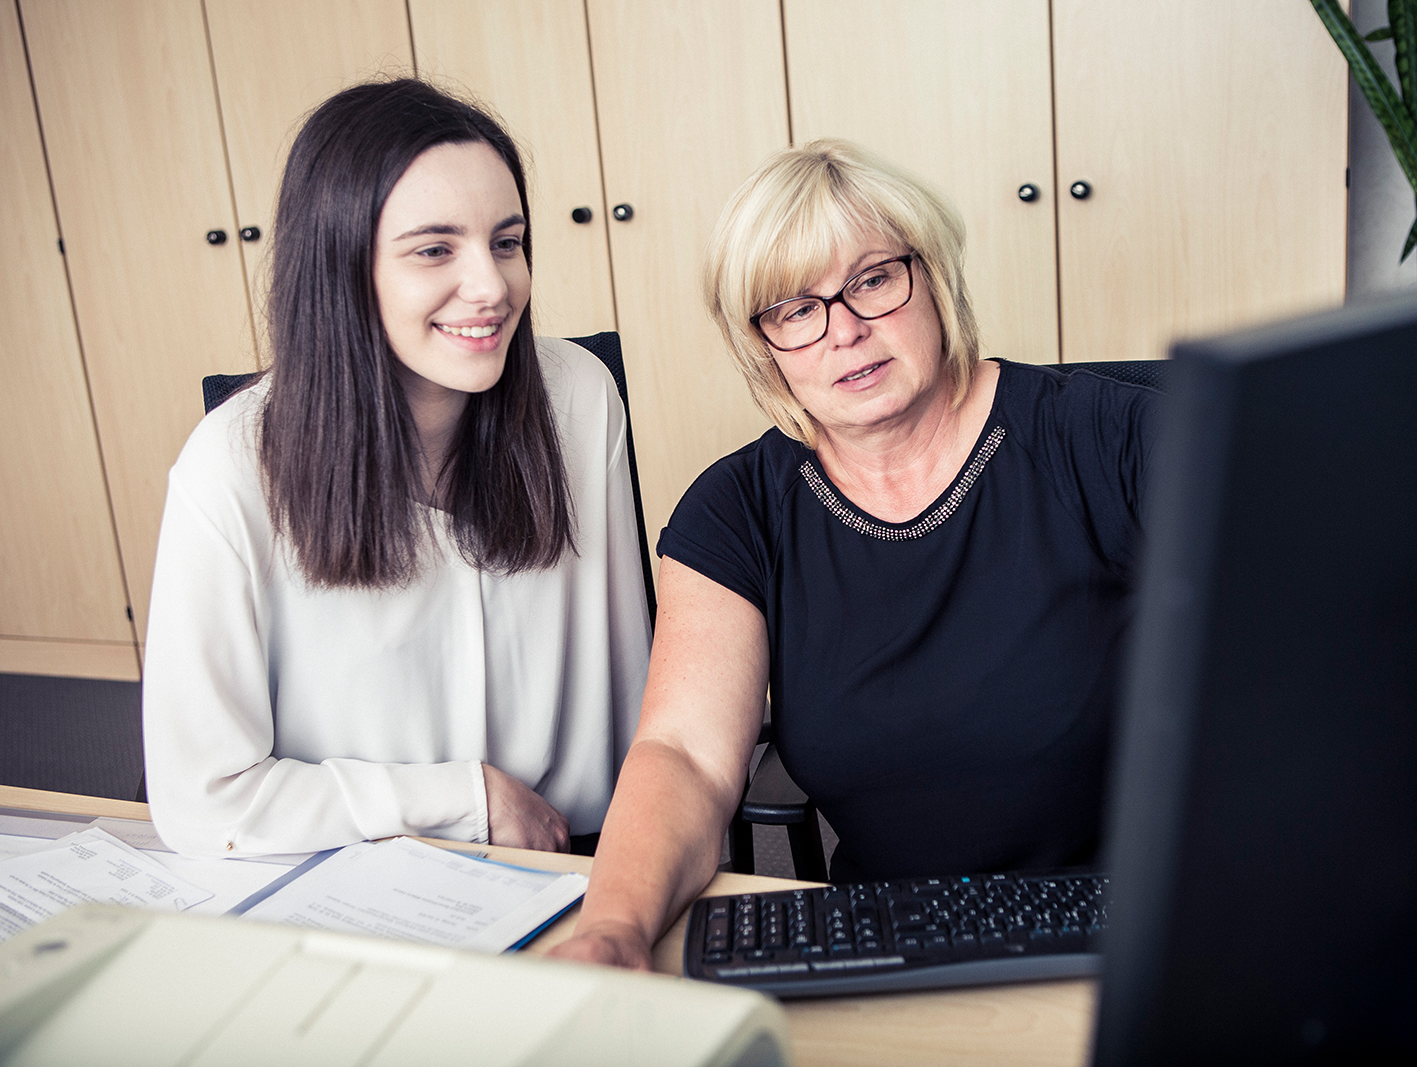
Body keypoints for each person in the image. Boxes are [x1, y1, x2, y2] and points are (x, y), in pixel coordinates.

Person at [550, 139, 1153, 971]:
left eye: (872, 280)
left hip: (1128, 930)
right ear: (761, 343)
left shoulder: (1111, 437)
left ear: (933, 275)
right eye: (796, 309)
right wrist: (613, 927)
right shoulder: (736, 509)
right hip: (890, 941)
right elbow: (683, 754)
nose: (846, 331)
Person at [141, 79, 651, 859]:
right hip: (346, 876)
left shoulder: (581, 398)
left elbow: (634, 695)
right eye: (435, 249)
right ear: (341, 269)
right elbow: (200, 801)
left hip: (563, 861)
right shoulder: (228, 468)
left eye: (507, 242)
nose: (492, 287)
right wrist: (464, 799)